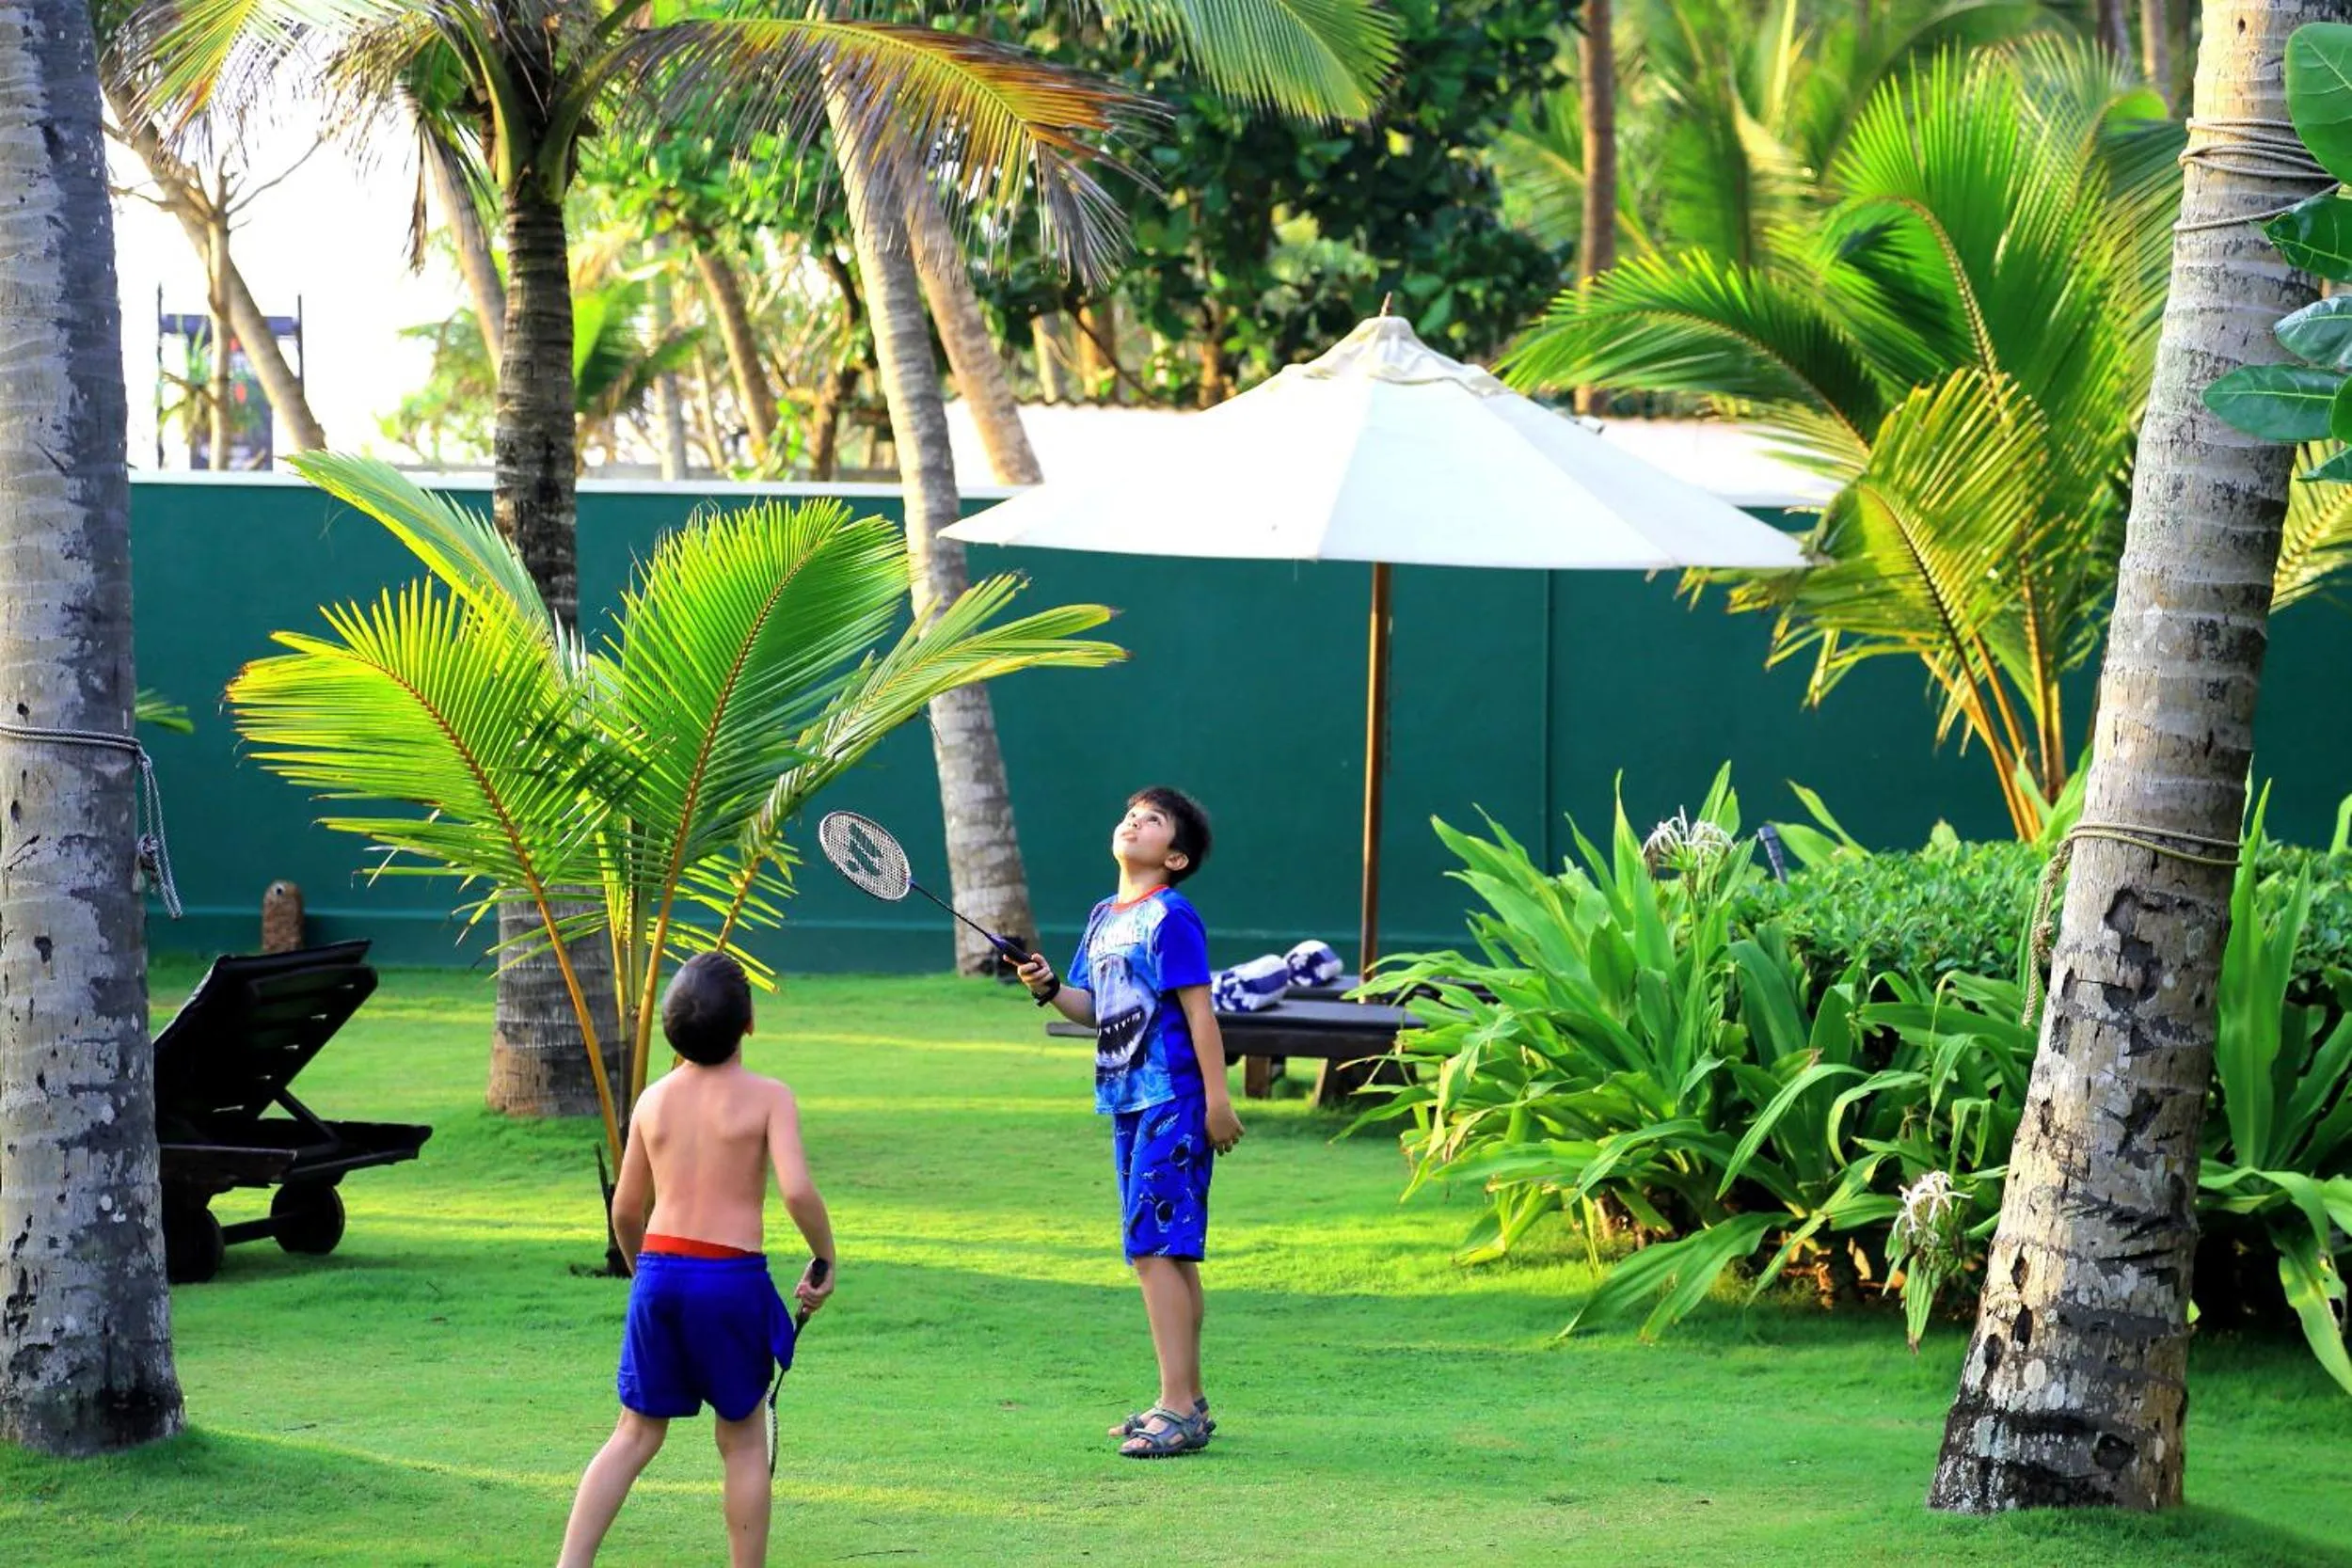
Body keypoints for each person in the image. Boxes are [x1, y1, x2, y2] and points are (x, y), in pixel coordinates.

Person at [558, 952, 836, 1567]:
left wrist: (644, 1275)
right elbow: (795, 1190)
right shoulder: (769, 1097)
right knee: (741, 1440)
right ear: (749, 1022)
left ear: (670, 1029)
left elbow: (626, 1210)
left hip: (659, 1272)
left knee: (633, 1433)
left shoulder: (653, 1101)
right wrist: (824, 1254)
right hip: (730, 1279)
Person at [1017, 786, 1243, 1458]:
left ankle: (1175, 1404)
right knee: (1165, 1248)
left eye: (1152, 820)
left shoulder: (1172, 916)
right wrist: (1050, 986)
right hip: (1124, 1098)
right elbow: (1093, 1006)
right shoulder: (1103, 916)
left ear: (1174, 856)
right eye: (1131, 813)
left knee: (1152, 1248)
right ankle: (1187, 1402)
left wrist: (1217, 1099)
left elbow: (1200, 1012)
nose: (1134, 821)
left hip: (1171, 1096)